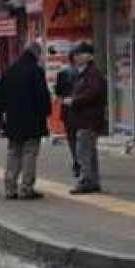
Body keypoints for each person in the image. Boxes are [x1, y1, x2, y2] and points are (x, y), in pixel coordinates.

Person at [1, 41, 52, 200]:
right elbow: (42, 97)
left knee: (13, 153)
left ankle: (10, 188)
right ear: (36, 54)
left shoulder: (10, 70)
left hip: (14, 121)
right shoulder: (36, 71)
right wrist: (46, 112)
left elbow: (1, 96)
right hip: (32, 122)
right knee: (29, 153)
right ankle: (26, 188)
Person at [65, 42, 107, 194]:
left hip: (88, 118)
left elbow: (93, 93)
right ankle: (93, 180)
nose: (76, 57)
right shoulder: (83, 73)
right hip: (85, 118)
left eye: (79, 54)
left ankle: (86, 180)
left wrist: (74, 100)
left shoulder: (92, 73)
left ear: (88, 56)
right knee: (89, 151)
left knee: (84, 151)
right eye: (75, 54)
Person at [54, 51, 81, 180]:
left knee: (72, 137)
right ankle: (83, 162)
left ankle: (76, 160)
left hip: (67, 109)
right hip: (82, 110)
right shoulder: (83, 73)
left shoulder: (62, 73)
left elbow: (58, 92)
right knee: (82, 137)